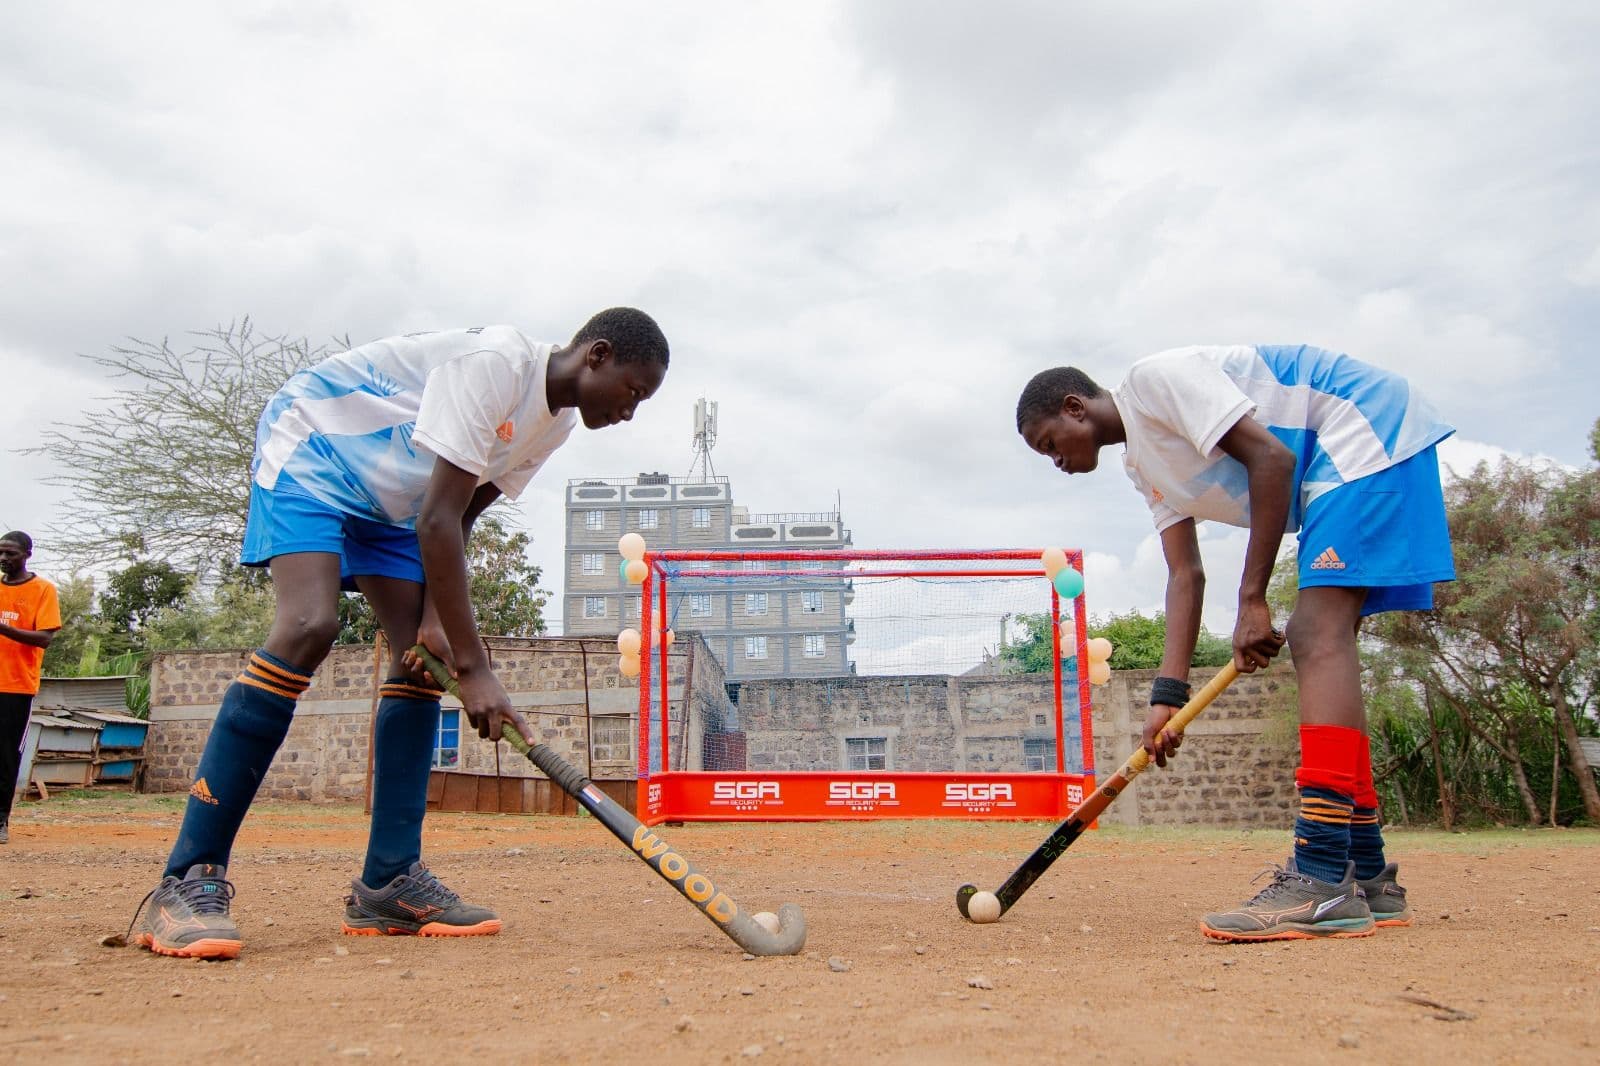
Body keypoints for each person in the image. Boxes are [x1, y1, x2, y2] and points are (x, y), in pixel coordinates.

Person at [131, 309, 670, 959]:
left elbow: (459, 519)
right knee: (309, 625)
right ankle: (187, 879)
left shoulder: (550, 426)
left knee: (423, 659)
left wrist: (442, 633)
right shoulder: (498, 366)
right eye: (632, 392)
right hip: (318, 445)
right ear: (597, 354)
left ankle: (388, 881)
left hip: (400, 503)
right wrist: (475, 671)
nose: (629, 412)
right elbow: (437, 523)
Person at [1016, 344, 1454, 942]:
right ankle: (1367, 873)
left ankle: (1323, 874)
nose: (1056, 463)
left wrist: (1252, 600)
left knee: (1316, 632)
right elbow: (1184, 576)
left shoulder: (1153, 383)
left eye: (1049, 444)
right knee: (1327, 638)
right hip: (1339, 459)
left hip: (1361, 426)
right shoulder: (1144, 469)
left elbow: (1269, 458)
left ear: (1074, 407)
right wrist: (1166, 696)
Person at [0, 531, 62, 845]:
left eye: (10, 553)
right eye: (0, 553)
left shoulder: (42, 590)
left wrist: (3, 628)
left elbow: (45, 638)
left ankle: (1, 820)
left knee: (7, 755)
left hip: (15, 686)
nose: (3, 559)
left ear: (27, 554)